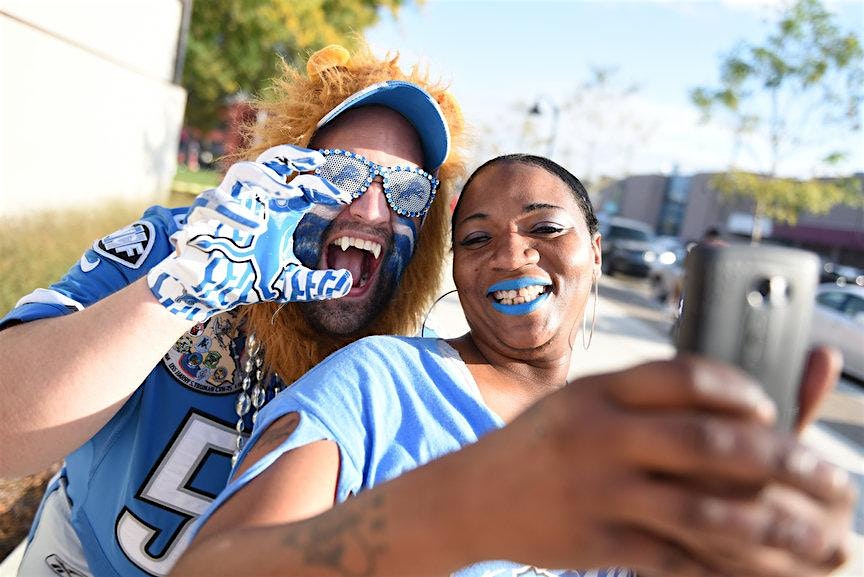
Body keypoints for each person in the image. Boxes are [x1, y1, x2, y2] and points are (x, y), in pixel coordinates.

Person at [171, 155, 855, 577]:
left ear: (593, 247)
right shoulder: (376, 381)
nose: (509, 254)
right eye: (476, 238)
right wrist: (470, 507)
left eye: (545, 228)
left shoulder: (622, 437)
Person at [0, 43, 466, 577]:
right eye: (343, 174)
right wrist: (172, 298)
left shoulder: (398, 369)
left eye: (408, 188)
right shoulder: (178, 250)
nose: (372, 210)